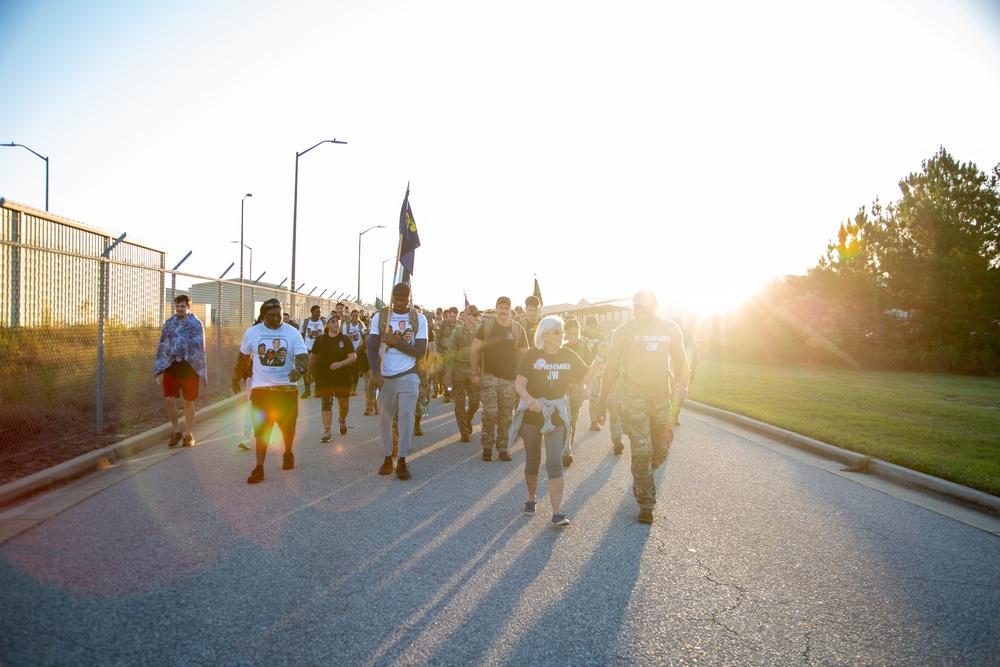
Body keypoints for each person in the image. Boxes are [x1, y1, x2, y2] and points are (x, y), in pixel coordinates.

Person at [596, 290, 690, 524]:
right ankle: (646, 503)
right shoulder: (624, 331)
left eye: (644, 306)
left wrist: (683, 387)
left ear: (655, 305)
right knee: (642, 449)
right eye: (636, 306)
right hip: (634, 396)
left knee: (661, 449)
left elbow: (682, 361)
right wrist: (602, 403)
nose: (639, 310)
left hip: (662, 399)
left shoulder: (670, 329)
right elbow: (610, 368)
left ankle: (641, 474)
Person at [510, 316, 605, 528]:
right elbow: (519, 384)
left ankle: (556, 513)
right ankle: (531, 499)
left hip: (556, 413)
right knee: (533, 459)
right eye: (558, 332)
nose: (562, 335)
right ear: (545, 335)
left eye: (562, 331)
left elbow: (587, 375)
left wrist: (600, 356)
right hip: (533, 413)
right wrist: (529, 399)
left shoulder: (568, 355)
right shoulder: (532, 355)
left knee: (554, 460)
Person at [233, 298, 309, 484]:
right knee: (262, 429)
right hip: (261, 388)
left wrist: (299, 369)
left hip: (286, 388)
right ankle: (259, 468)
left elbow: (303, 356)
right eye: (271, 316)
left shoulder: (292, 333)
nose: (276, 319)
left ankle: (288, 453)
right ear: (263, 317)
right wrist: (236, 377)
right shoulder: (252, 332)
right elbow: (243, 358)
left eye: (279, 315)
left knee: (288, 427)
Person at [367, 283, 427, 480]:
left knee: (407, 416)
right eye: (396, 299)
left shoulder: (419, 319)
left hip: (408, 373)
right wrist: (376, 372)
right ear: (391, 298)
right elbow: (371, 348)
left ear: (409, 299)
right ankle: (387, 457)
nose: (399, 303)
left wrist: (396, 342)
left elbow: (420, 351)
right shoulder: (380, 317)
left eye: (403, 300)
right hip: (385, 376)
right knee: (385, 419)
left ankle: (402, 459)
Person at [470, 296, 529, 462]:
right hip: (489, 377)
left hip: (510, 379)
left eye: (506, 308)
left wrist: (525, 377)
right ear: (496, 309)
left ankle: (503, 447)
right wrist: (474, 374)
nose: (503, 311)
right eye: (501, 308)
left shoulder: (517, 329)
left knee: (506, 415)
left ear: (510, 310)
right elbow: (474, 350)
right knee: (490, 412)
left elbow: (525, 353)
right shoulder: (486, 327)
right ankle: (487, 447)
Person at [154, 294, 207, 447]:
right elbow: (164, 344)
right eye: (177, 306)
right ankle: (176, 431)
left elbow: (199, 346)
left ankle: (189, 434)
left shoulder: (195, 324)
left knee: (188, 401)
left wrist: (187, 353)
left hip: (189, 368)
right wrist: (163, 362)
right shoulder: (170, 323)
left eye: (182, 306)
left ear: (188, 307)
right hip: (172, 367)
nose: (179, 309)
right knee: (168, 399)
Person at [308, 312, 357, 441]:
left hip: (342, 375)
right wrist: (308, 373)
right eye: (333, 321)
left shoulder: (345, 339)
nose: (336, 323)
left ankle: (342, 420)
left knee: (344, 404)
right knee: (326, 401)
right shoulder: (320, 340)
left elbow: (353, 357)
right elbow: (312, 357)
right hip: (324, 374)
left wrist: (341, 364)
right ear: (327, 324)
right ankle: (327, 431)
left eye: (338, 321)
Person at [443, 304, 482, 442]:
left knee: (475, 401)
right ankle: (464, 431)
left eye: (477, 314)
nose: (477, 317)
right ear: (465, 316)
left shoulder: (480, 330)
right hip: (458, 371)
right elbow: (450, 354)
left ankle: (467, 418)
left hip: (474, 371)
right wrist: (448, 375)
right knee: (459, 403)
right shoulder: (457, 332)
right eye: (474, 314)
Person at [562, 317, 594, 455]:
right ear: (565, 332)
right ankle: (566, 449)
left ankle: (569, 442)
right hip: (563, 386)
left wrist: (589, 388)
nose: (573, 337)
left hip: (578, 385)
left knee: (574, 416)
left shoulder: (584, 347)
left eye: (576, 333)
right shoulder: (561, 347)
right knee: (566, 416)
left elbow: (591, 370)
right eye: (570, 333)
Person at [672, 324, 699, 425]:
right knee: (680, 392)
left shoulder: (669, 333)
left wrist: (693, 370)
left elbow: (695, 354)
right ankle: (674, 416)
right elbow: (695, 355)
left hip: (676, 369)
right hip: (683, 369)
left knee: (674, 393)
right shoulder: (689, 337)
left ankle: (673, 416)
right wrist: (693, 370)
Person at [584, 316, 606, 431]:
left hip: (596, 372)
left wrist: (603, 365)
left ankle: (594, 421)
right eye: (590, 327)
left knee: (595, 397)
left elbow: (606, 354)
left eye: (594, 327)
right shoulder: (581, 336)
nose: (592, 330)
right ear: (586, 327)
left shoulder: (601, 338)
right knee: (575, 398)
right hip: (581, 371)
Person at [299, 305, 326, 398]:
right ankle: (307, 390)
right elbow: (301, 335)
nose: (319, 314)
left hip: (319, 349)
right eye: (317, 312)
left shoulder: (323, 322)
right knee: (306, 369)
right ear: (312, 312)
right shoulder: (305, 322)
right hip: (307, 348)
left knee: (318, 369)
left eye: (320, 312)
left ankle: (317, 389)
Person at [436, 307, 459, 403]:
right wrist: (437, 352)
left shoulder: (459, 325)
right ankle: (447, 393)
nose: (453, 318)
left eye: (455, 316)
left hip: (455, 354)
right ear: (448, 315)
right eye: (451, 316)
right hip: (443, 353)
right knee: (445, 374)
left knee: (455, 374)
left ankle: (452, 393)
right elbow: (437, 338)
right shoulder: (442, 324)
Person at [343, 309, 367, 396]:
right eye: (353, 315)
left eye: (356, 316)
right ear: (351, 316)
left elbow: (365, 337)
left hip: (357, 351)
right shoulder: (346, 326)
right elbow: (344, 337)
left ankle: (354, 387)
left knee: (355, 369)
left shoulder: (361, 325)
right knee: (348, 369)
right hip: (348, 351)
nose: (355, 317)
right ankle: (348, 386)